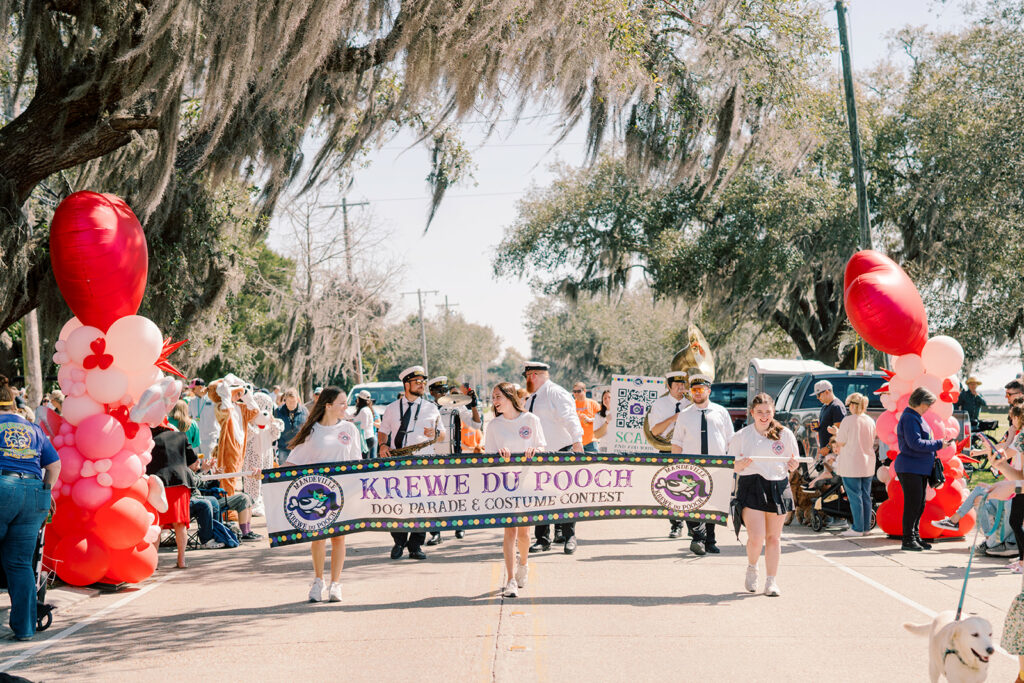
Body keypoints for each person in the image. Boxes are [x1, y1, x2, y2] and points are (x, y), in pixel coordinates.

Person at [284, 386, 361, 602]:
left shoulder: (349, 429)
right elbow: (292, 462)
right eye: (342, 403)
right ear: (328, 405)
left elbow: (357, 461)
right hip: (316, 492)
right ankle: (318, 581)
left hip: (342, 491)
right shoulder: (312, 432)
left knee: (339, 538)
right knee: (318, 538)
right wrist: (265, 473)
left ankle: (336, 584)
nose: (346, 407)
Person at [0, 374, 60, 641]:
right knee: (20, 564)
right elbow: (54, 465)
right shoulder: (33, 428)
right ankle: (25, 628)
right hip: (34, 494)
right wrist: (45, 492)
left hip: (4, 486)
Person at [731, 392, 799, 597]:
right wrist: (738, 465)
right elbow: (730, 464)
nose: (764, 416)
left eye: (767, 412)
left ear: (773, 412)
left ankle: (771, 581)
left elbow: (793, 463)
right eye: (759, 412)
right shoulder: (741, 436)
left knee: (774, 538)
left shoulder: (785, 434)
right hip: (752, 485)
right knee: (756, 536)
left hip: (778, 486)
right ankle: (752, 567)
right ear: (752, 413)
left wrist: (793, 465)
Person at [378, 366, 444, 560]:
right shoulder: (391, 408)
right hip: (398, 460)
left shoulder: (431, 407)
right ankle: (399, 541)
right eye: (418, 382)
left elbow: (443, 435)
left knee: (422, 504)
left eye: (423, 382)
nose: (422, 385)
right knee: (397, 501)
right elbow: (383, 430)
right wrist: (383, 445)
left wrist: (437, 434)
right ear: (406, 384)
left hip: (423, 461)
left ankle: (415, 545)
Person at [487, 381, 545, 597]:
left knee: (524, 532)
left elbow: (542, 445)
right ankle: (510, 579)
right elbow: (488, 456)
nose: (494, 401)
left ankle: (524, 564)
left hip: (528, 481)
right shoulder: (494, 425)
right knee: (509, 530)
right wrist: (497, 454)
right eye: (493, 397)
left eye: (497, 397)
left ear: (510, 397)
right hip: (505, 483)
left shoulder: (531, 419)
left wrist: (535, 450)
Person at [523, 361, 584, 554]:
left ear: (533, 375)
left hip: (560, 451)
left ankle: (569, 536)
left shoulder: (555, 392)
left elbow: (570, 417)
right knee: (540, 496)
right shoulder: (532, 397)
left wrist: (577, 441)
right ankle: (542, 538)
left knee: (564, 496)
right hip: (539, 454)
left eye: (526, 377)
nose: (526, 381)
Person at [670, 373, 734, 555]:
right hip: (692, 467)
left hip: (717, 466)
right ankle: (698, 536)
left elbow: (730, 439)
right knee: (691, 503)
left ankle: (710, 541)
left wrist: (732, 464)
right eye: (694, 390)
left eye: (701, 389)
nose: (697, 393)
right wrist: (676, 466)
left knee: (713, 505)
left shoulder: (721, 412)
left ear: (709, 391)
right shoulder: (684, 415)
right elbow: (677, 442)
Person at [895, 387, 954, 552]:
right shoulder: (910, 418)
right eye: (928, 404)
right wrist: (939, 444)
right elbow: (915, 443)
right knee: (913, 504)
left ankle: (914, 535)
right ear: (921, 402)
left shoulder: (915, 417)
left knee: (919, 504)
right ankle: (908, 538)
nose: (929, 408)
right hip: (910, 467)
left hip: (917, 467)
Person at [425, 377, 481, 545]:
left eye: (445, 390)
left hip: (453, 455)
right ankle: (435, 532)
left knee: (455, 493)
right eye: (440, 391)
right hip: (433, 457)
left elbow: (476, 425)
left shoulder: (456, 405)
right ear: (432, 393)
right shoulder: (427, 409)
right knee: (434, 495)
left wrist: (473, 406)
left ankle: (459, 525)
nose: (444, 394)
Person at [147, 421, 200, 568]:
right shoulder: (181, 436)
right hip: (180, 482)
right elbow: (194, 463)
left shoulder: (148, 439)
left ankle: (153, 562)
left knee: (158, 523)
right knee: (180, 523)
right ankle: (181, 561)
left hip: (158, 483)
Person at [646, 370, 692, 538]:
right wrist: (674, 418)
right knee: (672, 489)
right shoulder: (659, 404)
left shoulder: (691, 403)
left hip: (688, 448)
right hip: (666, 449)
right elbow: (655, 430)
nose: (681, 388)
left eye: (683, 385)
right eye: (677, 385)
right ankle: (676, 524)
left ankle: (693, 526)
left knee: (691, 486)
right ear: (668, 386)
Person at [979, 403, 1024, 571]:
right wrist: (1002, 466)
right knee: (1015, 521)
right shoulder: (1022, 438)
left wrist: (1014, 487)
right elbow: (1021, 477)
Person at [832, 392, 876, 537]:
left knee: (855, 497)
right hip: (867, 462)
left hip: (852, 463)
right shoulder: (870, 420)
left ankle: (857, 528)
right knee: (865, 496)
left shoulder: (848, 420)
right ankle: (865, 527)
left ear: (852, 405)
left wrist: (836, 432)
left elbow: (841, 441)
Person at [274, 387, 308, 466]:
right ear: (285, 400)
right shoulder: (278, 411)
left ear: (297, 399)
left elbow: (308, 429)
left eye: (294, 401)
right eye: (289, 401)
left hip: (300, 449)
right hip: (283, 448)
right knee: (285, 474)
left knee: (300, 473)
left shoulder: (304, 411)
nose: (291, 404)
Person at [187, 379, 220, 459]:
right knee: (199, 461)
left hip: (209, 439)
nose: (192, 391)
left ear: (200, 387)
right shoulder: (191, 401)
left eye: (193, 388)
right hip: (197, 440)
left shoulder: (212, 400)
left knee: (209, 462)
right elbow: (189, 417)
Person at [572, 382, 601, 453]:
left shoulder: (593, 404)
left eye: (579, 391)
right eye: (574, 391)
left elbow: (602, 419)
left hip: (591, 441)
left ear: (584, 391)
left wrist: (589, 419)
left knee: (594, 463)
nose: (576, 393)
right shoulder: (571, 404)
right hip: (576, 442)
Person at [353, 390, 378, 460]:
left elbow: (364, 425)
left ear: (360, 399)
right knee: (365, 459)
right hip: (367, 438)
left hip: (366, 438)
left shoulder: (364, 410)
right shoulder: (364, 410)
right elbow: (351, 416)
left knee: (365, 460)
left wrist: (354, 424)